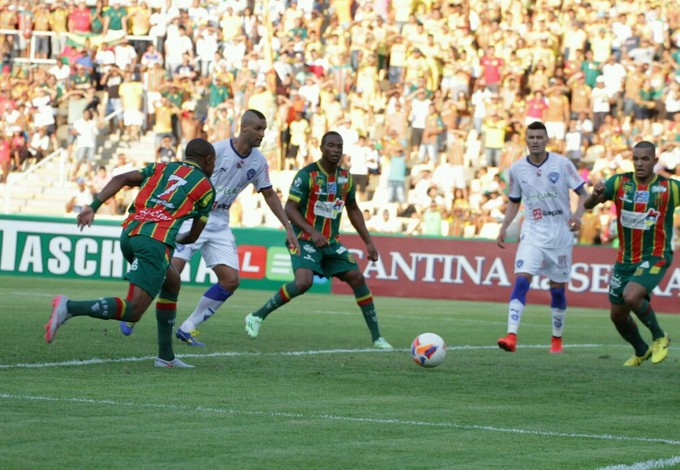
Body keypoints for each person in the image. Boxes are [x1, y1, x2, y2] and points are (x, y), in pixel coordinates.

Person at [119, 109, 299, 346]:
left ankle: (188, 327)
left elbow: (269, 194)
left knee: (231, 280)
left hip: (220, 221)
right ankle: (132, 309)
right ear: (243, 127)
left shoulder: (259, 161)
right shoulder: (216, 151)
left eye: (264, 129)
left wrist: (287, 226)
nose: (262, 134)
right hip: (194, 215)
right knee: (168, 270)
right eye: (258, 128)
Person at [44, 139, 217, 369]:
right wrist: (176, 238)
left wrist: (93, 206)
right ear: (208, 161)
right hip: (154, 242)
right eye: (213, 163)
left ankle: (166, 357)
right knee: (133, 310)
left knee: (172, 282)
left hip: (129, 234)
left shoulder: (160, 167)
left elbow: (121, 178)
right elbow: (193, 237)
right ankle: (69, 307)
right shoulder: (206, 188)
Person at [244, 131, 393, 350]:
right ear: (322, 148)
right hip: (303, 239)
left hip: (330, 242)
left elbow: (353, 209)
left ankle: (377, 338)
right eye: (331, 146)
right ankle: (257, 316)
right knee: (304, 282)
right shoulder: (307, 175)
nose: (336, 150)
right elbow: (290, 208)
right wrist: (312, 231)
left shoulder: (345, 178)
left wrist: (368, 242)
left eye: (339, 146)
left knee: (357, 277)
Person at [497, 121, 589, 354]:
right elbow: (514, 201)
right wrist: (505, 226)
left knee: (557, 290)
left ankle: (556, 339)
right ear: (526, 140)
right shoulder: (517, 169)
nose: (535, 141)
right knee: (521, 279)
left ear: (547, 139)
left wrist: (578, 216)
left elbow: (583, 193)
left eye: (539, 137)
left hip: (560, 236)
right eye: (531, 137)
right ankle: (511, 335)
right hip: (533, 234)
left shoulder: (562, 164)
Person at [583, 141, 674, 366]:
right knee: (617, 315)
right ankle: (641, 350)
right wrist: (595, 194)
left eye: (645, 159)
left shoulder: (669, 188)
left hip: (655, 255)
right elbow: (588, 205)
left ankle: (659, 337)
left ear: (654, 161)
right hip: (624, 260)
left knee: (631, 296)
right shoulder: (620, 183)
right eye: (636, 159)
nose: (640, 163)